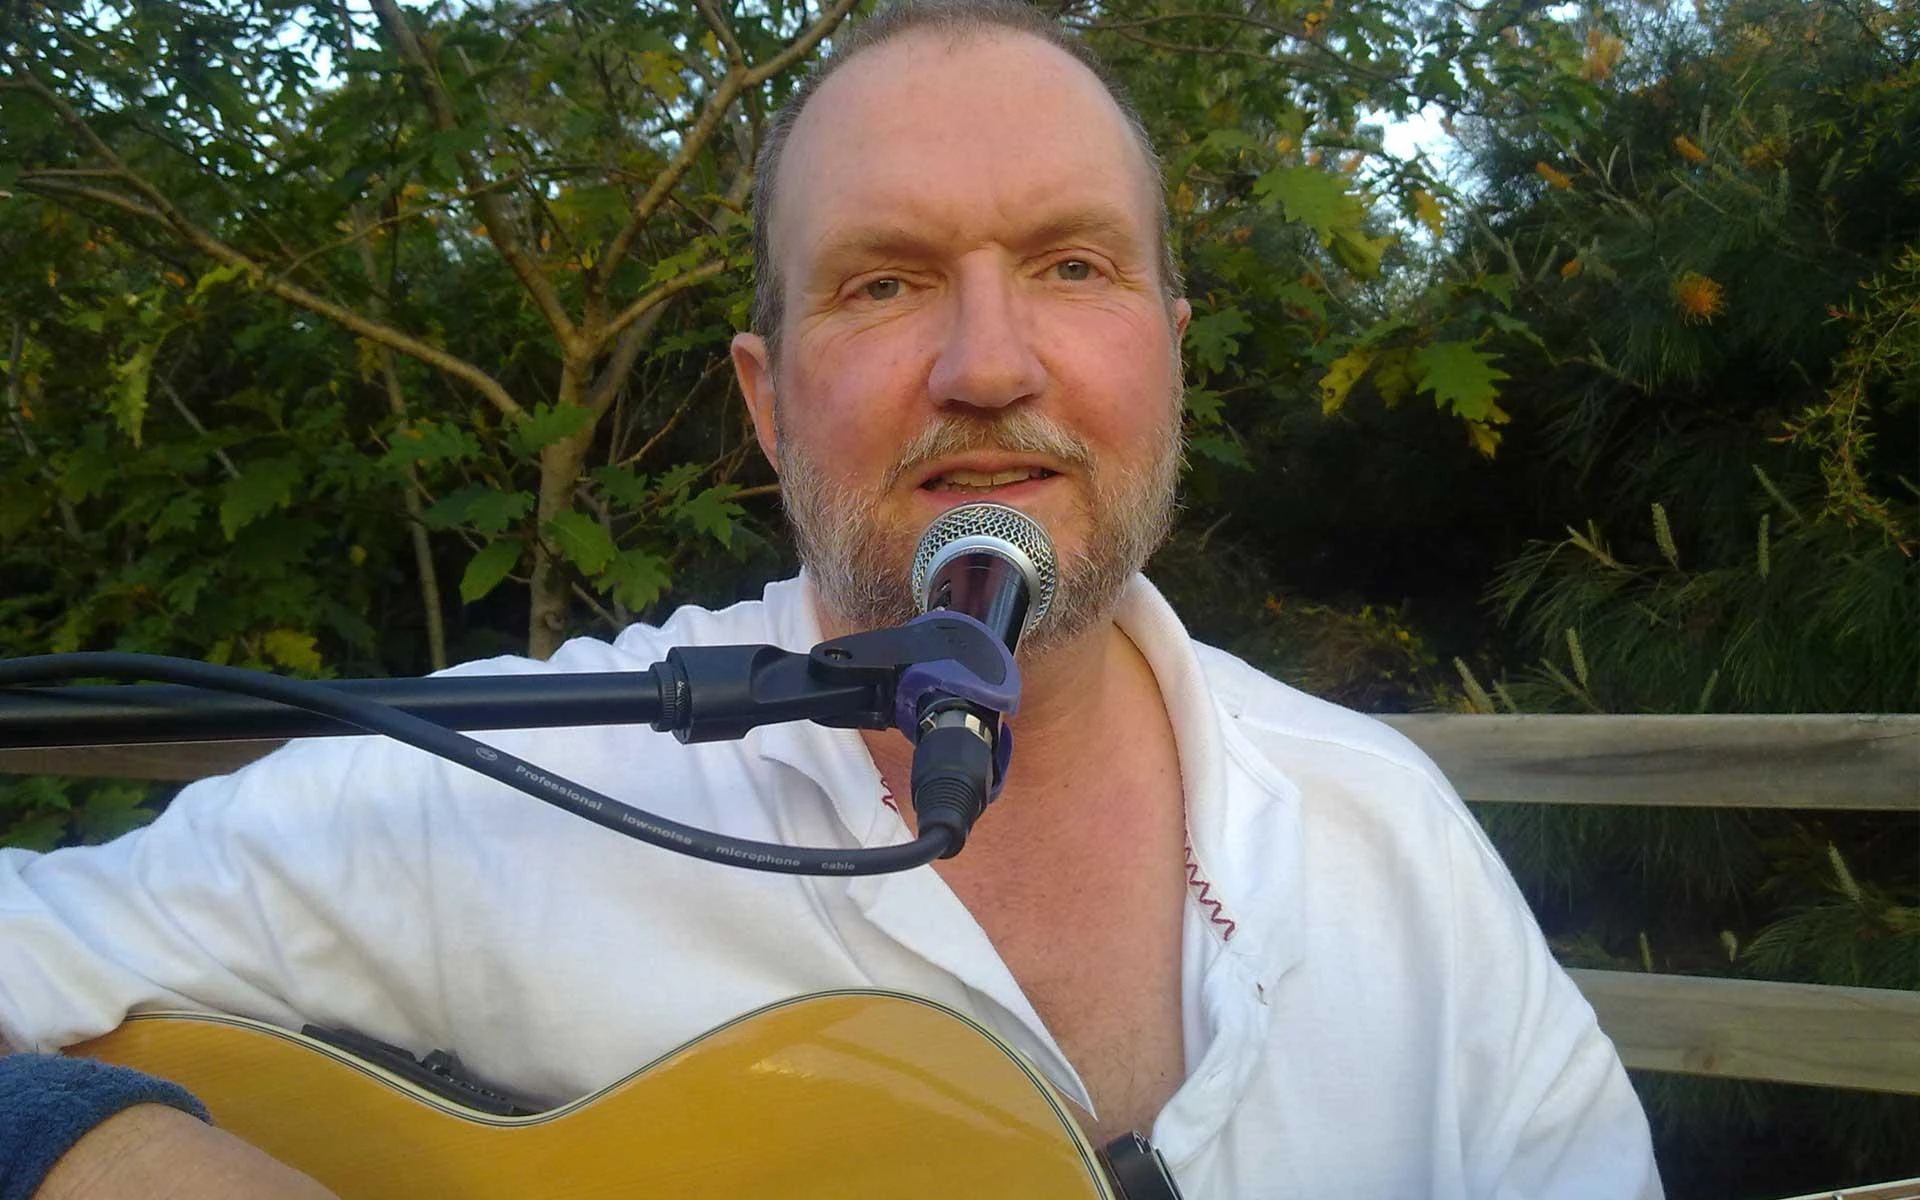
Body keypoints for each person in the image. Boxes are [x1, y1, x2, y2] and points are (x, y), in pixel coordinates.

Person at [0, 1, 1663, 1196]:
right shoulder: (519, 785)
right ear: (766, 398)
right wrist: (110, 1153)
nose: (989, 364)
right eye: (884, 282)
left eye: (1072, 266)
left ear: (1168, 352)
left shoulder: (1390, 837)